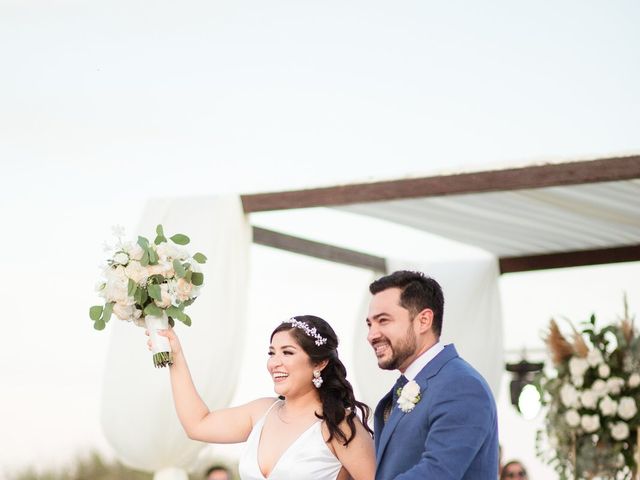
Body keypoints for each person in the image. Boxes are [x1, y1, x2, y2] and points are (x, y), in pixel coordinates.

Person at [151, 315, 375, 480]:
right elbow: (197, 425)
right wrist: (176, 357)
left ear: (319, 363)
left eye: (287, 352)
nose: (274, 362)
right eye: (271, 353)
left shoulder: (339, 425)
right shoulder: (262, 412)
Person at [366, 270, 499, 479]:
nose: (371, 335)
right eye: (369, 324)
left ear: (424, 321)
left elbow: (438, 472)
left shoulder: (462, 386)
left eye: (383, 321)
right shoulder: (412, 383)